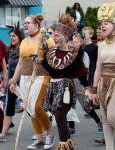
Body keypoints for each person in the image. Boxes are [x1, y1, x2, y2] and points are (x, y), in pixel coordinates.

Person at [42, 13, 88, 150]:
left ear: (66, 36)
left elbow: (80, 71)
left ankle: (64, 146)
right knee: (58, 116)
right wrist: (40, 61)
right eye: (54, 35)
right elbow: (51, 72)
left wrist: (87, 87)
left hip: (66, 88)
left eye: (58, 35)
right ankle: (68, 145)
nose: (54, 38)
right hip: (53, 87)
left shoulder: (75, 52)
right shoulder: (50, 53)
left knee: (60, 116)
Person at [9, 15, 55, 150]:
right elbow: (20, 62)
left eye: (28, 22)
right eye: (24, 23)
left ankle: (50, 134)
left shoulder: (46, 39)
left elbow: (54, 57)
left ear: (37, 25)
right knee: (29, 108)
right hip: (25, 78)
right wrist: (14, 79)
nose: (25, 25)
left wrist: (41, 60)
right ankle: (39, 138)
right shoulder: (23, 42)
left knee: (36, 107)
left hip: (41, 76)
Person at [91, 2, 115, 150]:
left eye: (106, 23)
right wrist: (93, 90)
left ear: (114, 25)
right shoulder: (101, 45)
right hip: (102, 83)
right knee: (105, 120)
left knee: (112, 117)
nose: (102, 27)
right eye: (101, 25)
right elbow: (98, 68)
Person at [0, 22, 25, 142]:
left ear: (19, 37)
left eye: (14, 36)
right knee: (8, 108)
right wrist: (6, 81)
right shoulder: (10, 50)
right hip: (11, 84)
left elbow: (25, 68)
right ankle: (2, 134)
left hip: (22, 83)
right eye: (10, 36)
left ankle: (43, 132)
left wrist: (16, 82)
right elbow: (7, 67)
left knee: (31, 110)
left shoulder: (24, 50)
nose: (11, 38)